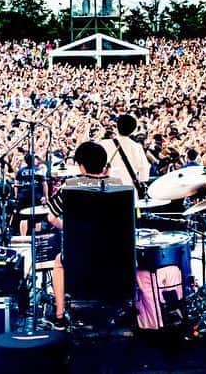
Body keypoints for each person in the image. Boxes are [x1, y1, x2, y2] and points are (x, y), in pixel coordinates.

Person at [46, 141, 124, 330]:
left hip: (80, 255)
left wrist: (71, 228)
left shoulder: (69, 186)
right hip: (113, 255)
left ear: (80, 165)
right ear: (104, 164)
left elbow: (51, 218)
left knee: (58, 261)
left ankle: (59, 315)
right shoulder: (117, 185)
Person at [99, 114, 150, 195]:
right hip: (129, 190)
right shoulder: (137, 147)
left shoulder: (103, 144)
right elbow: (144, 175)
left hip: (107, 189)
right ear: (133, 130)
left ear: (116, 127)